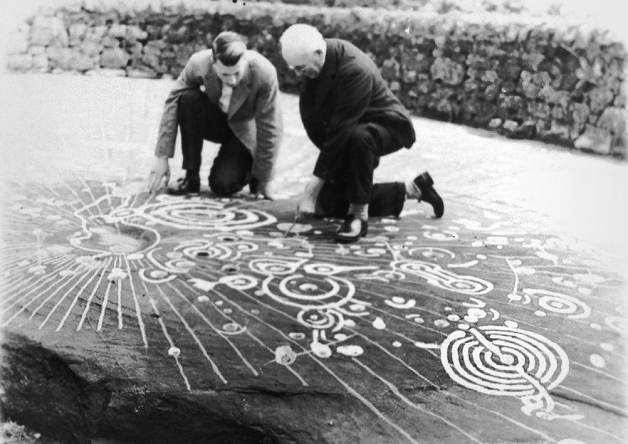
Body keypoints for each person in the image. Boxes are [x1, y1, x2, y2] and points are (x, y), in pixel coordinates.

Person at [279, 24, 444, 243]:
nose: (300, 74)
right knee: (326, 203)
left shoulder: (355, 69)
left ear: (318, 53)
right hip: (352, 130)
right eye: (295, 69)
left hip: (387, 125)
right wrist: (334, 172)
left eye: (301, 68)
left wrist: (311, 189)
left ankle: (358, 215)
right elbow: (321, 124)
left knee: (359, 137)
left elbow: (340, 131)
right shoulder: (317, 57)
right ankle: (412, 189)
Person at [148, 31, 282, 199]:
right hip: (218, 122)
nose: (232, 80)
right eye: (225, 74)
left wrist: (266, 177)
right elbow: (173, 100)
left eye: (237, 73)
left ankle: (251, 171)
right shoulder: (199, 63)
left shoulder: (264, 72)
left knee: (222, 185)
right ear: (213, 63)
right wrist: (162, 158)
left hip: (244, 132)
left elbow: (271, 125)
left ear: (245, 61)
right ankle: (191, 177)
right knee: (187, 99)